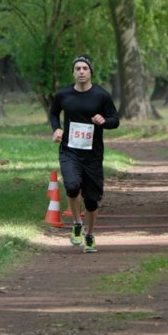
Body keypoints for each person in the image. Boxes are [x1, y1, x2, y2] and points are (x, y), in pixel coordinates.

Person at [49, 55, 120, 253]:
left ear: (90, 72)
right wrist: (56, 129)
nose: (81, 72)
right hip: (70, 150)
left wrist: (104, 121)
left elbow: (115, 120)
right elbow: (54, 113)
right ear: (73, 72)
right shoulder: (64, 94)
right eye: (78, 68)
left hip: (93, 155)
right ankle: (77, 222)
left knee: (91, 200)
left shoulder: (101, 95)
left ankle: (89, 235)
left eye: (85, 68)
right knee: (71, 186)